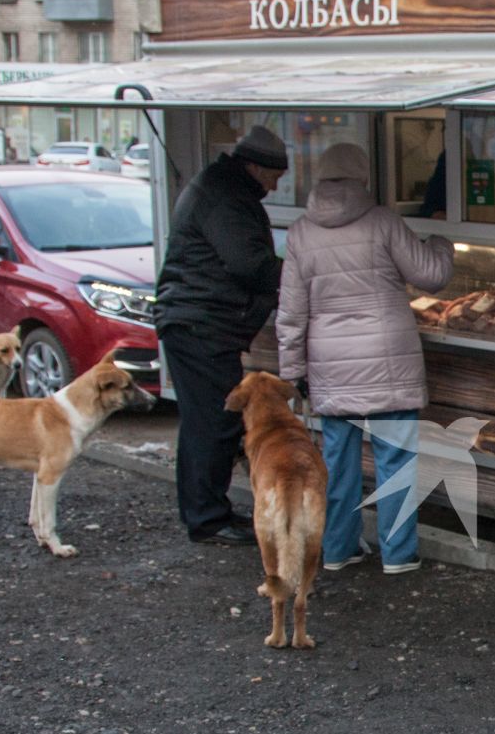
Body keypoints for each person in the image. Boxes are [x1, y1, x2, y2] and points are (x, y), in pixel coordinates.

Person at [277, 142, 455, 574]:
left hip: (332, 368)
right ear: (362, 176)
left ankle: (338, 550)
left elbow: (291, 313)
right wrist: (442, 242)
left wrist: (292, 373)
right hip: (388, 362)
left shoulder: (301, 231)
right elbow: (431, 276)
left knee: (338, 467)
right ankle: (398, 555)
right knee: (395, 462)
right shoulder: (382, 222)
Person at [155, 124, 288, 546]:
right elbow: (250, 264)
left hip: (198, 321)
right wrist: (300, 278)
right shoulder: (225, 197)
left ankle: (204, 510)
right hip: (202, 324)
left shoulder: (223, 187)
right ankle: (208, 518)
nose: (276, 184)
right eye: (273, 175)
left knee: (203, 422)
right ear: (253, 167)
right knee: (214, 422)